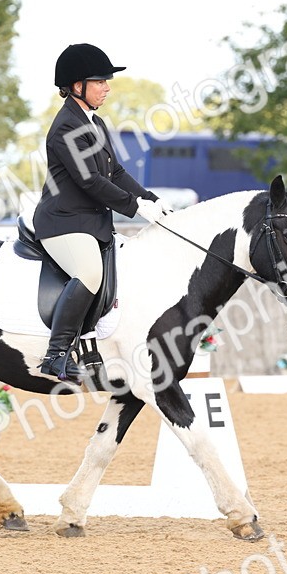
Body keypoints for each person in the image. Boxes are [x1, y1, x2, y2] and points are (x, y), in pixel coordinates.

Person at [31, 43, 173, 385]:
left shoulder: (94, 122)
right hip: (63, 222)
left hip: (91, 223)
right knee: (90, 273)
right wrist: (135, 207)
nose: (107, 87)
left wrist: (152, 200)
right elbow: (90, 181)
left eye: (107, 81)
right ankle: (56, 354)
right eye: (99, 81)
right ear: (76, 85)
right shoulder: (65, 127)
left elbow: (115, 172)